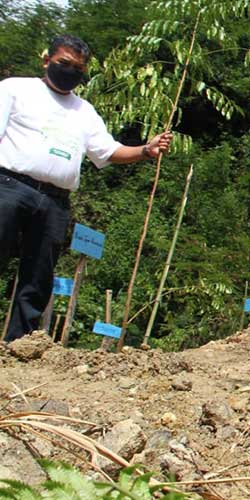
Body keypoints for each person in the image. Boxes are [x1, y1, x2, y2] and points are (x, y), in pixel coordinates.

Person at [0, 34, 173, 341]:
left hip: (55, 201)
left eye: (78, 68)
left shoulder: (85, 111)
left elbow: (107, 152)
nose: (70, 72)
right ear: (46, 60)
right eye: (64, 64)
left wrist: (146, 149)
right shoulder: (15, 89)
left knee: (39, 276)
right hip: (10, 187)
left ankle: (19, 346)